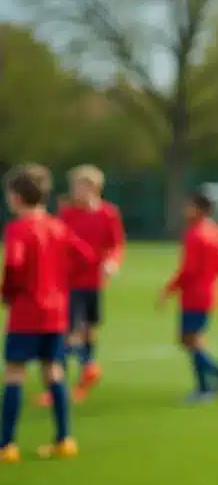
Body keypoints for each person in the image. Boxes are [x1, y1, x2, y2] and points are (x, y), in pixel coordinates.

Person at [1, 164, 95, 463]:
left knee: (14, 373)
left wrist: (7, 293)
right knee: (53, 371)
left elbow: (14, 265)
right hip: (56, 314)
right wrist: (58, 278)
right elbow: (85, 256)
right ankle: (65, 439)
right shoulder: (58, 226)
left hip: (27, 312)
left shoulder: (18, 229)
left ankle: (7, 444)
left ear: (15, 197)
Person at [52, 164, 125, 404]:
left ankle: (82, 371)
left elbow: (117, 244)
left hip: (93, 280)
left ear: (93, 188)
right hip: (68, 280)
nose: (75, 191)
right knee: (68, 330)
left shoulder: (108, 213)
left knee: (86, 329)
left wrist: (112, 262)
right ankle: (74, 375)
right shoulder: (67, 213)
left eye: (79, 186)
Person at [157, 191, 218, 403]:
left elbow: (187, 270)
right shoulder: (216, 232)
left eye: (189, 206)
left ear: (199, 209)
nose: (185, 210)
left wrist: (168, 290)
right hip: (209, 292)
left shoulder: (194, 234)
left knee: (191, 340)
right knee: (190, 340)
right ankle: (212, 379)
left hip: (193, 295)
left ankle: (210, 382)